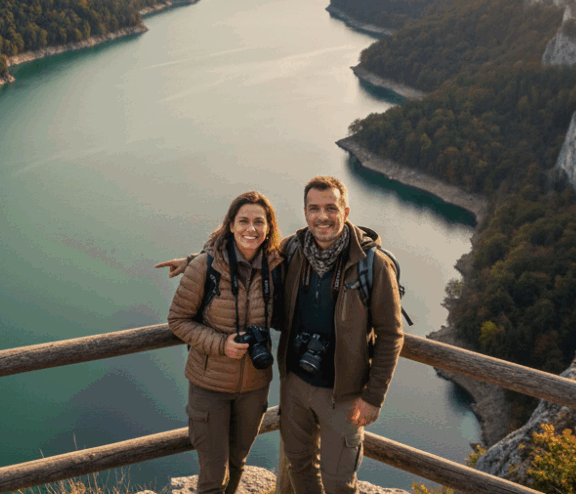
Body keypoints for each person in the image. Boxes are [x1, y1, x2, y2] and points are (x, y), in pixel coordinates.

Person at [157, 177, 404, 494]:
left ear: (346, 210)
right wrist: (193, 261)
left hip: (344, 392)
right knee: (298, 467)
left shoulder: (372, 264)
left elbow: (391, 335)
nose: (322, 216)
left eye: (331, 207)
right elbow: (237, 250)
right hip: (296, 385)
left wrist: (373, 397)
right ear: (304, 212)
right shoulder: (294, 250)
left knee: (339, 482)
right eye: (314, 208)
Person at [166, 191, 284, 494]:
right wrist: (222, 345)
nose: (251, 228)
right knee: (212, 476)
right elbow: (178, 321)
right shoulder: (205, 268)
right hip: (210, 388)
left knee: (238, 463)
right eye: (243, 220)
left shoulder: (276, 267)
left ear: (269, 227)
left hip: (255, 387)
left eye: (259, 221)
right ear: (230, 225)